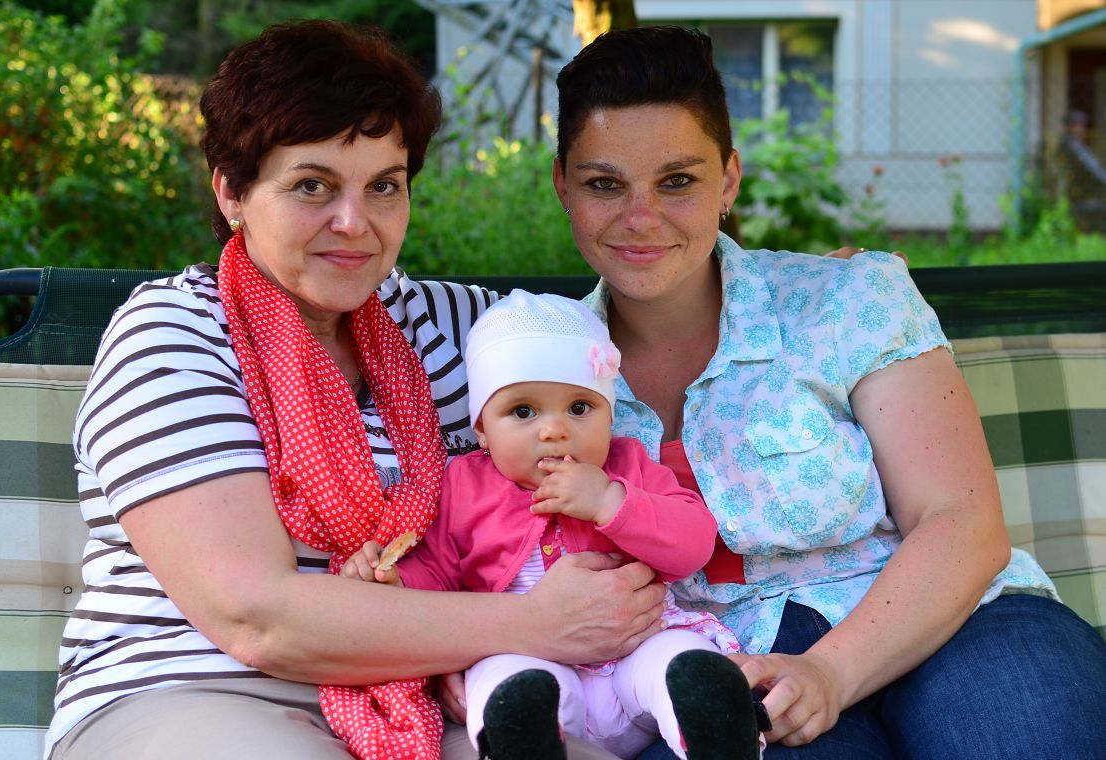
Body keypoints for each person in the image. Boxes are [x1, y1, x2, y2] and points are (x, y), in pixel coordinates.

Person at [44, 20, 669, 760]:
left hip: (434, 696)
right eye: (312, 186)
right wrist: (535, 625)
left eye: (383, 187)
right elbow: (256, 618)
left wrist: (792, 288)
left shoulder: (459, 330)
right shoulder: (173, 334)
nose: (354, 223)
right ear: (232, 192)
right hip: (197, 690)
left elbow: (653, 335)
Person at [536, 25, 1106, 759]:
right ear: (563, 186)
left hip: (957, 620)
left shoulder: (846, 300)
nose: (641, 217)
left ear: (729, 180)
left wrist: (831, 671)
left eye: (677, 181)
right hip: (729, 664)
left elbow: (960, 520)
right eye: (604, 184)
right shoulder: (538, 368)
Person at [345, 290, 764, 760]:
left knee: (680, 657)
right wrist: (396, 581)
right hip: (530, 654)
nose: (554, 430)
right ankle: (524, 734)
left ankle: (712, 724)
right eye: (523, 411)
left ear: (609, 415)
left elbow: (694, 544)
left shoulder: (627, 467)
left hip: (634, 649)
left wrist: (611, 501)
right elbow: (440, 573)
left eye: (580, 408)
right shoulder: (464, 484)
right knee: (504, 680)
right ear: (482, 429)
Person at [1054, 109, 1106, 232]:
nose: (1082, 128)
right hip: (1085, 196)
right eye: (1078, 125)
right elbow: (1093, 171)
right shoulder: (1071, 147)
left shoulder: (1074, 144)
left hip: (1086, 192)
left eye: (1083, 125)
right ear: (1069, 126)